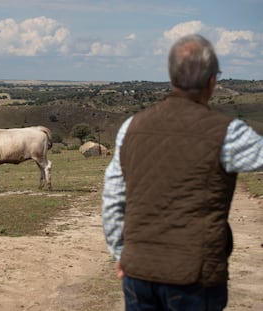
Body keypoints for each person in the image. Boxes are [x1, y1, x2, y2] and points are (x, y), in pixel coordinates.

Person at [101, 33, 263, 311]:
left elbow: (113, 198)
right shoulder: (227, 133)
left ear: (171, 76)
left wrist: (121, 254)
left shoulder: (131, 127)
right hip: (194, 275)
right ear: (212, 81)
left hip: (138, 271)